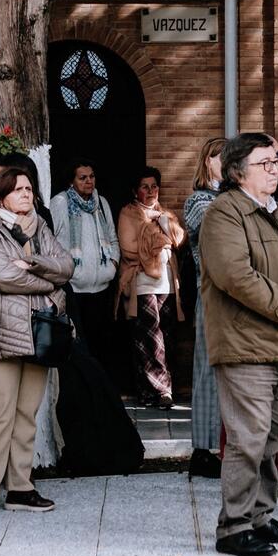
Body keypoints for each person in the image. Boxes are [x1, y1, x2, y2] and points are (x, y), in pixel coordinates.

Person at [199, 133, 278, 556]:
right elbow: (235, 276)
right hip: (245, 345)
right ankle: (233, 527)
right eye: (265, 162)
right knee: (247, 438)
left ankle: (259, 515)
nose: (276, 168)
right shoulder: (224, 213)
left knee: (274, 437)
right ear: (237, 172)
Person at [0, 167, 73, 520]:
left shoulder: (40, 225)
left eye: (29, 188)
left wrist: (29, 261)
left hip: (39, 334)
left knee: (27, 414)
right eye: (18, 189)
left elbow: (66, 266)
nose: (27, 194)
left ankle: (21, 487)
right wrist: (47, 282)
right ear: (0, 195)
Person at [115, 166, 185, 407]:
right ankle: (160, 390)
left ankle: (153, 391)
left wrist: (164, 225)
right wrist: (161, 244)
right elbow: (129, 249)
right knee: (149, 337)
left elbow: (179, 240)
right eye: (145, 187)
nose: (151, 191)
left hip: (167, 284)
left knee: (166, 336)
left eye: (154, 186)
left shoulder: (165, 212)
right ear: (135, 191)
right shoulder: (128, 213)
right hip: (142, 284)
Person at [182, 136, 227, 479]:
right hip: (210, 294)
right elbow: (215, 223)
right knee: (208, 373)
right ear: (207, 162)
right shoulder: (199, 201)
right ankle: (203, 449)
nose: (225, 160)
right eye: (219, 156)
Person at [49, 159, 119, 362]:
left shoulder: (101, 203)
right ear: (72, 181)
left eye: (92, 176)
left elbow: (113, 239)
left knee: (100, 346)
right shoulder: (60, 203)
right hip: (74, 289)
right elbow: (50, 241)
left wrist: (112, 266)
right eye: (83, 178)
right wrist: (69, 272)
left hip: (102, 288)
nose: (89, 181)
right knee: (78, 347)